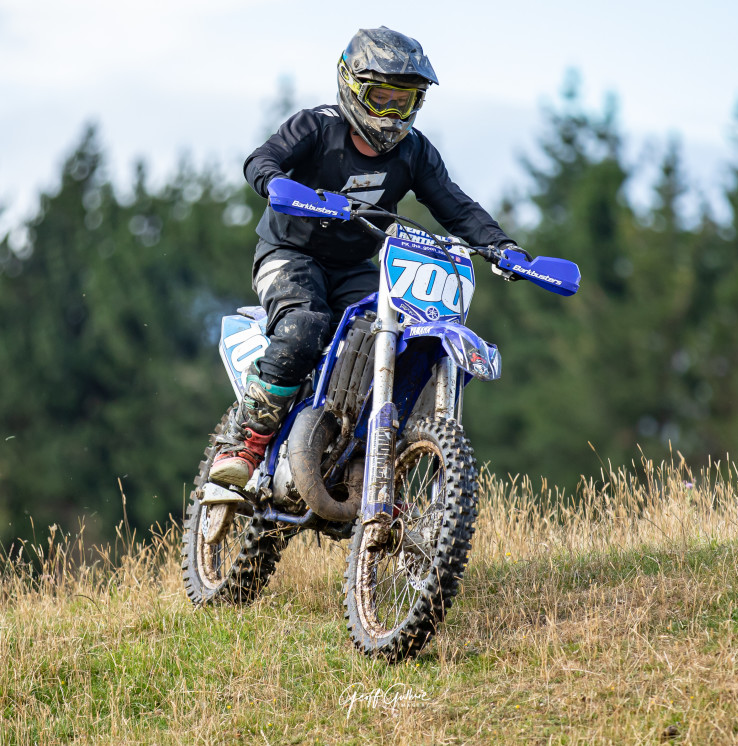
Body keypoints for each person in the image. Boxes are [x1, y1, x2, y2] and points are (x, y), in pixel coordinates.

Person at [208, 26, 519, 487]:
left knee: (394, 337)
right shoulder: (316, 126)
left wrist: (502, 247)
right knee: (304, 326)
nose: (392, 114)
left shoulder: (414, 152)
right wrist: (278, 185)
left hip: (354, 267)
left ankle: (364, 458)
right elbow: (260, 159)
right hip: (289, 253)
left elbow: (455, 206)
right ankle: (245, 441)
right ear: (352, 87)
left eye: (404, 102)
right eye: (382, 99)